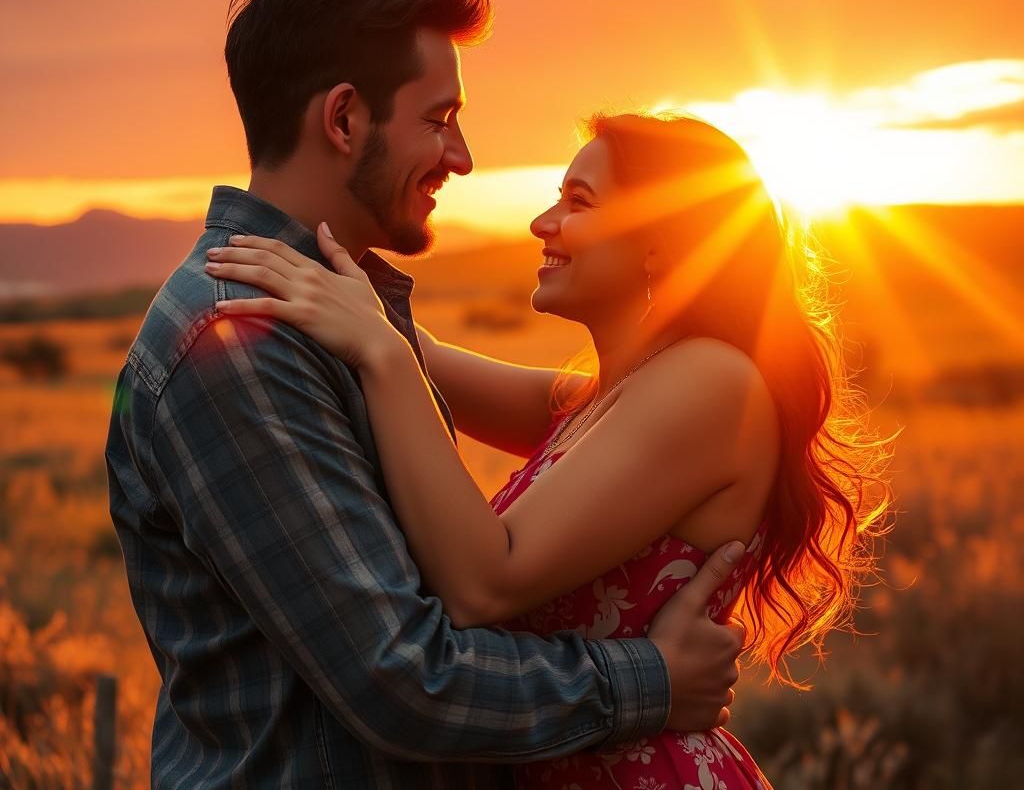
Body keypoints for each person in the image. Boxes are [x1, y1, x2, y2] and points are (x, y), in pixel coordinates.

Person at [104, 0, 747, 790]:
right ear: (344, 121)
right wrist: (649, 681)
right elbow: (405, 679)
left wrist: (384, 342)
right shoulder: (244, 339)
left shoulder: (342, 314)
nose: (464, 157)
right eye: (439, 119)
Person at [208, 111, 892, 788]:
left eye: (578, 202)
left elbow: (485, 583)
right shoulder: (601, 400)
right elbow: (425, 357)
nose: (542, 223)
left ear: (661, 242)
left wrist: (379, 352)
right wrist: (315, 239)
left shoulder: (712, 383)